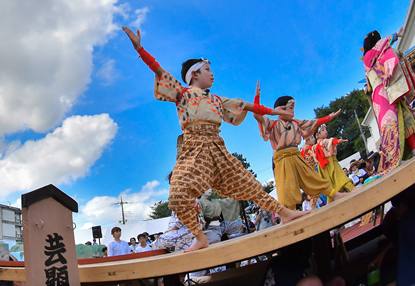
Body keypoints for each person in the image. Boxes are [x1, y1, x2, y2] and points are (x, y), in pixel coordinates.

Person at [122, 26, 306, 252]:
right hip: (193, 148)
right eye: (208, 69)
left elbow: (250, 106)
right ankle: (200, 238)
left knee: (249, 184)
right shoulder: (182, 93)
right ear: (195, 75)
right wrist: (139, 48)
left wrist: (278, 112)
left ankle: (285, 213)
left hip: (217, 147)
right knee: (178, 195)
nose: (212, 73)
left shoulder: (218, 100)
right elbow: (158, 70)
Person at [254, 95, 345, 209]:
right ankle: (290, 212)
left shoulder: (295, 122)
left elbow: (313, 122)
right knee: (287, 188)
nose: (294, 111)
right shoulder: (272, 123)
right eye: (291, 107)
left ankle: (334, 194)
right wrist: (257, 98)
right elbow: (256, 114)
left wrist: (328, 117)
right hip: (282, 159)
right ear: (281, 109)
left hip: (296, 155)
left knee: (312, 177)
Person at [363, 30, 415, 174]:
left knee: (405, 116)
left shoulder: (376, 57)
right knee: (390, 124)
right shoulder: (368, 57)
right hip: (380, 94)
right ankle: (394, 160)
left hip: (388, 89)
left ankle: (413, 149)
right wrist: (396, 35)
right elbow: (379, 47)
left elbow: (384, 67)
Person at [313, 125, 353, 200]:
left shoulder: (314, 147)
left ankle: (330, 199)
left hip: (322, 166)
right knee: (340, 176)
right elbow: (331, 141)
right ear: (317, 135)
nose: (326, 131)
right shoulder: (323, 142)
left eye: (325, 129)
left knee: (329, 185)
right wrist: (338, 141)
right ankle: (351, 187)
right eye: (323, 130)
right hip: (330, 163)